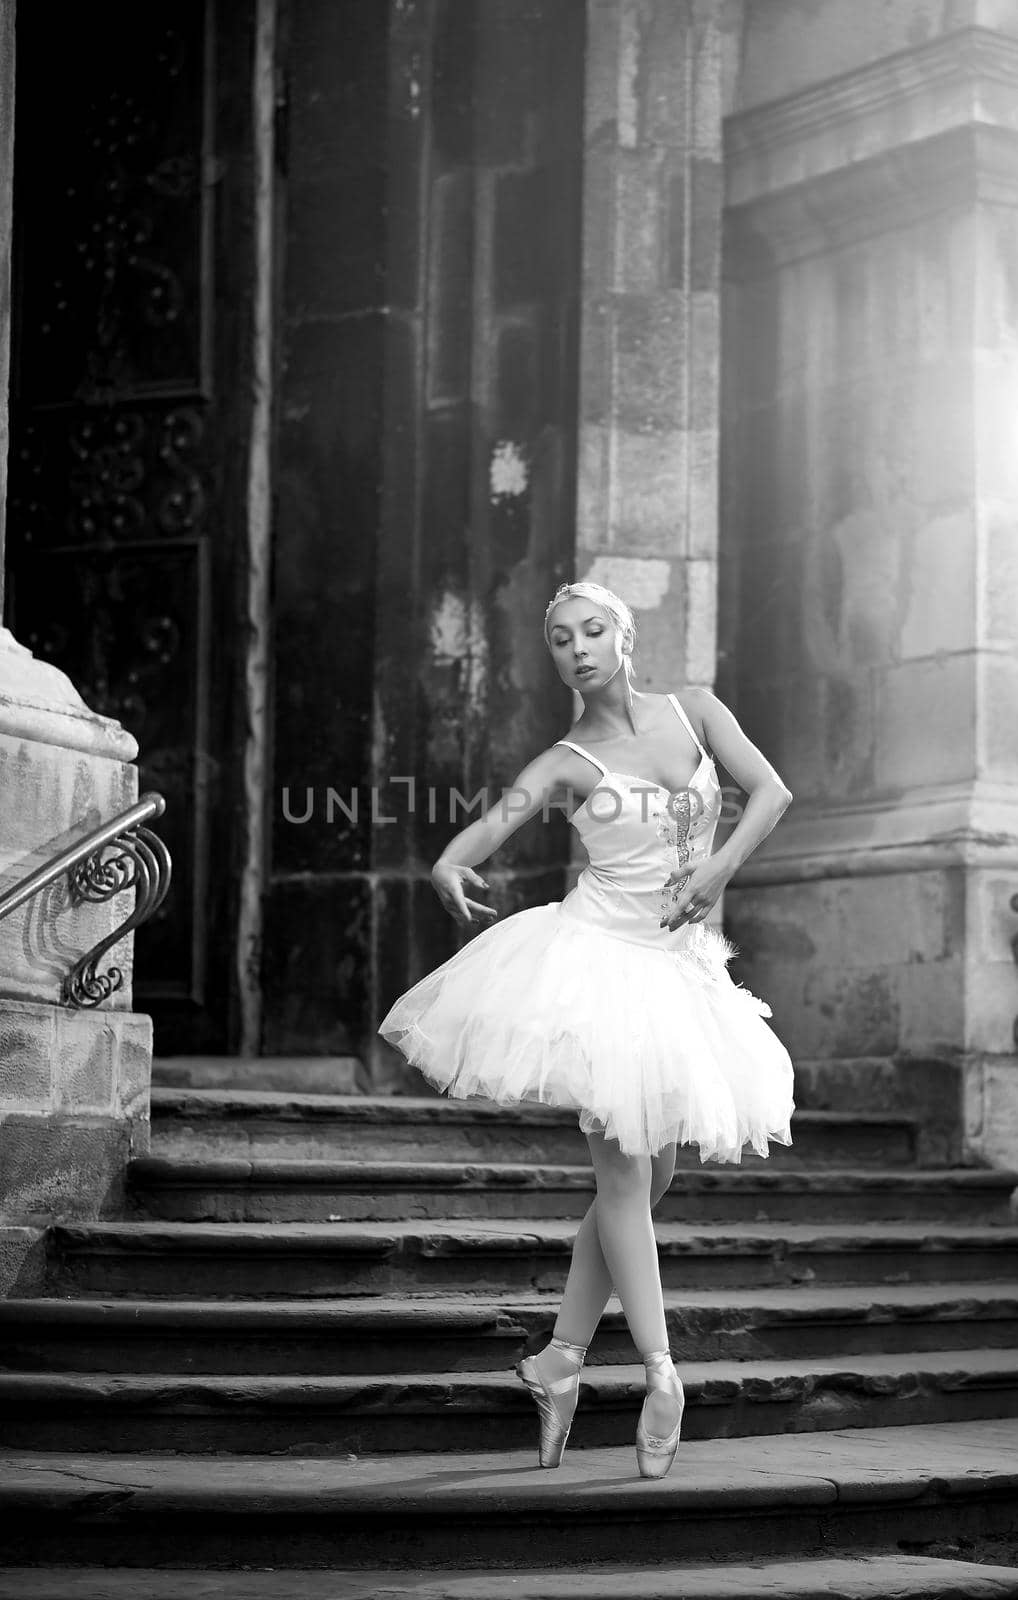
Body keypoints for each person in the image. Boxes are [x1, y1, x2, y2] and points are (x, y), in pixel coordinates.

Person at [377, 580, 795, 1479]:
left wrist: (717, 871)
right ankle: (660, 1374)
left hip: (680, 973)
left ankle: (559, 1362)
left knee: (647, 1185)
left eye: (592, 630)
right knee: (622, 1172)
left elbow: (770, 793)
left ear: (626, 636)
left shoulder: (696, 712)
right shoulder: (568, 758)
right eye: (560, 638)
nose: (577, 648)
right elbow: (502, 816)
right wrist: (450, 861)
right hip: (596, 968)